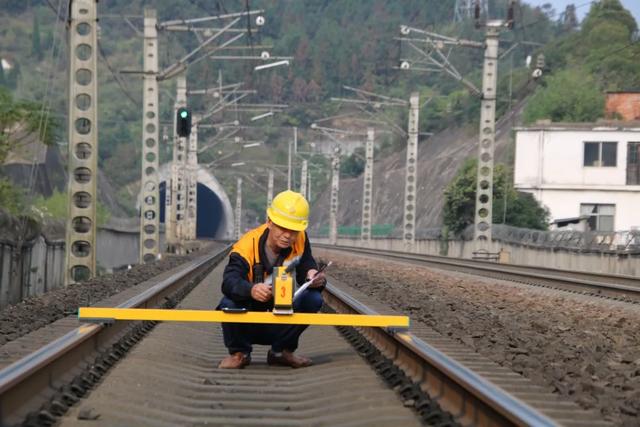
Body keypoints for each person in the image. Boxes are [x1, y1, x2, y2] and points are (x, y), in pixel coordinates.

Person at [217, 190, 326, 369]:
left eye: (294, 231)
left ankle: (281, 351)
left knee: (313, 299)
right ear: (269, 222)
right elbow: (229, 281)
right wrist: (251, 290)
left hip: (282, 314)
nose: (288, 236)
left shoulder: (300, 239)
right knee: (229, 302)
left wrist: (313, 276)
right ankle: (240, 353)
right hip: (250, 317)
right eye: (283, 228)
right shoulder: (246, 246)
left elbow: (306, 265)